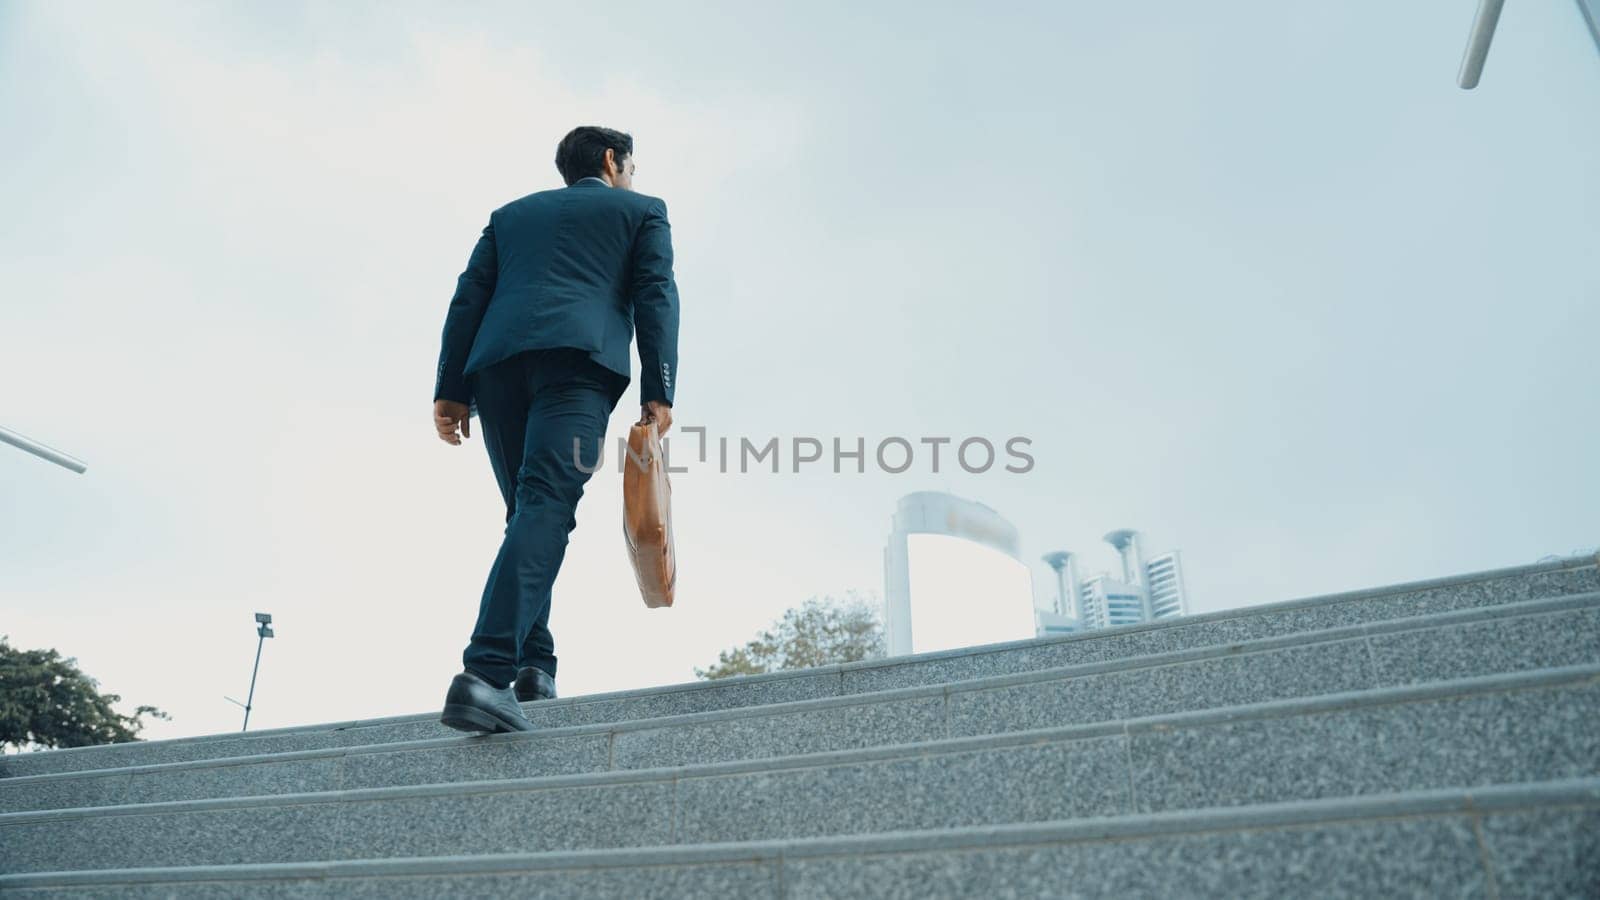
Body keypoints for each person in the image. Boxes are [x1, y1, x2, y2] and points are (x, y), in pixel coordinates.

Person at [430, 125, 679, 733]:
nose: (632, 177)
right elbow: (655, 293)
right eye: (631, 165)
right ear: (613, 160)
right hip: (578, 368)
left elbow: (469, 297)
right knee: (544, 507)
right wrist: (659, 389)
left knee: (528, 510)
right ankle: (485, 675)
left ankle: (533, 666)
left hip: (495, 371)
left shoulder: (510, 216)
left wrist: (450, 388)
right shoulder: (643, 211)